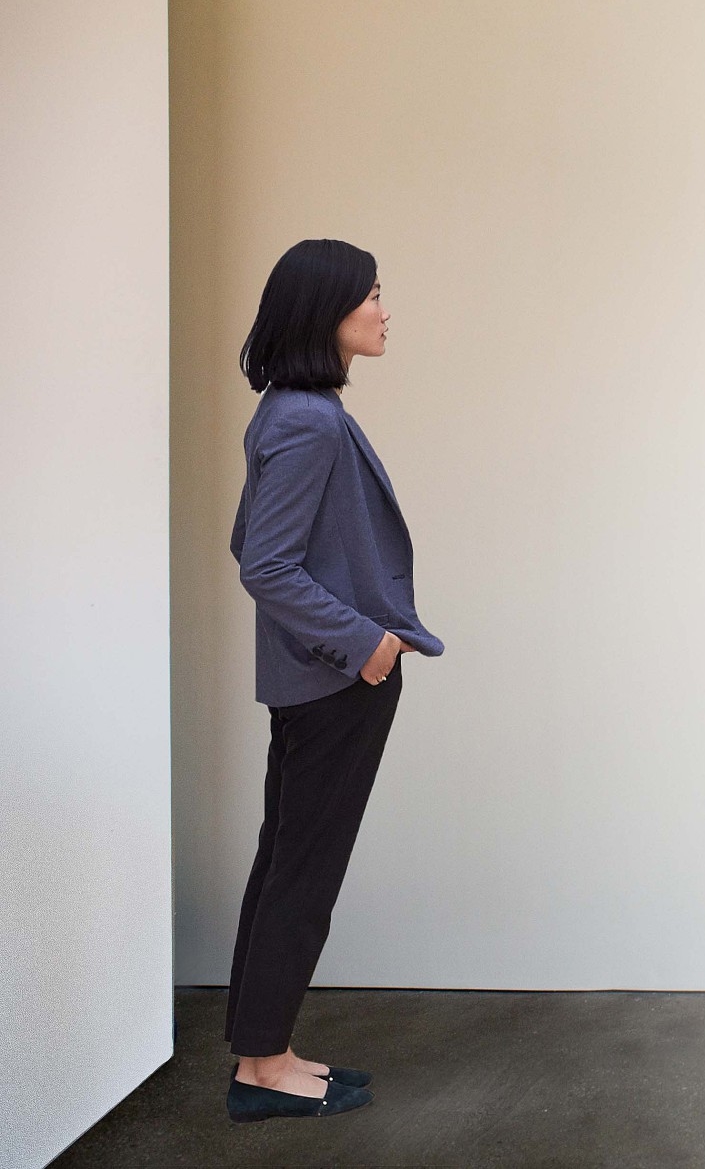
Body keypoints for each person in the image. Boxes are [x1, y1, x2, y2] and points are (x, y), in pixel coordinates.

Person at [221, 238, 445, 1123]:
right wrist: (366, 645)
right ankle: (262, 1070)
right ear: (329, 313)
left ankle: (263, 1052)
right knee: (302, 873)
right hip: (334, 683)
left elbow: (249, 545)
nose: (386, 310)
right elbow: (266, 565)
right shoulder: (308, 420)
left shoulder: (290, 408)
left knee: (286, 864)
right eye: (374, 295)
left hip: (313, 680)